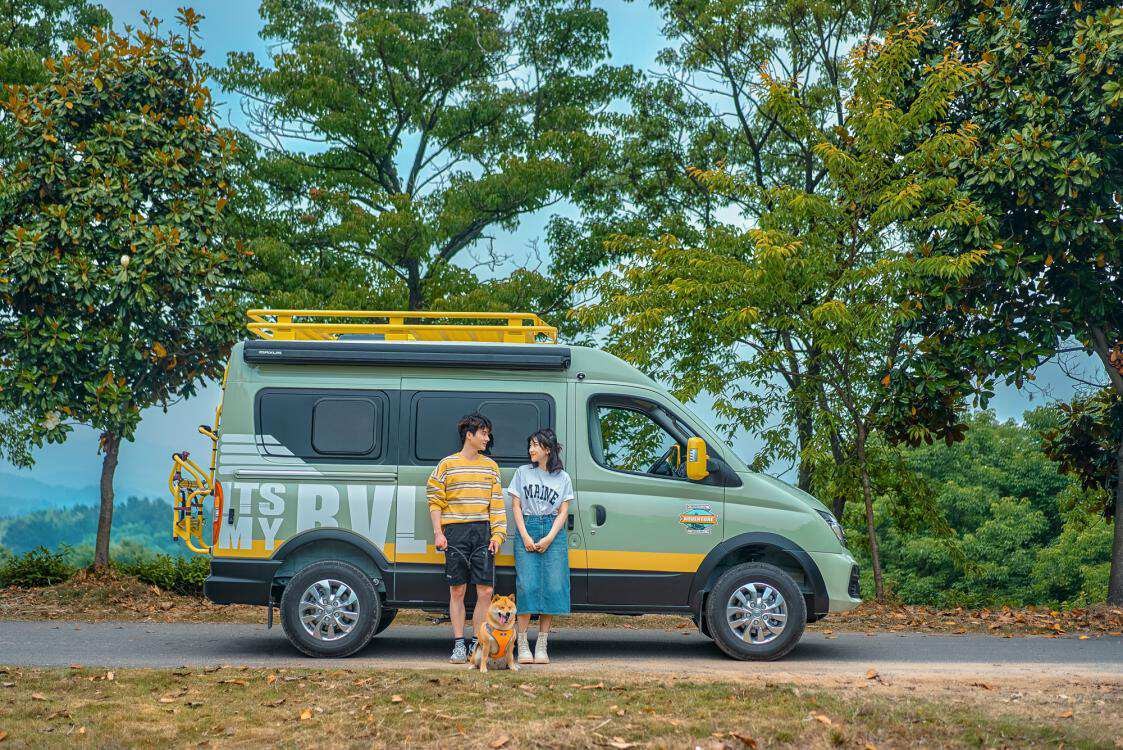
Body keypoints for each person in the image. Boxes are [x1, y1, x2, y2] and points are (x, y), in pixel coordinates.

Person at [427, 413, 507, 664]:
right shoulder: (446, 465)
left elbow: (497, 505)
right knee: (457, 590)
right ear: (469, 435)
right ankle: (459, 644)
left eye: (488, 434)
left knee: (486, 590)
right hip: (455, 532)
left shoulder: (491, 467)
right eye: (483, 433)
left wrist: (498, 535)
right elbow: (435, 500)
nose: (487, 438)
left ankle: (477, 643)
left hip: (482, 532)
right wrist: (438, 533)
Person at [508, 428, 573, 664]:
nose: (530, 450)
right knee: (526, 585)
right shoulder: (522, 473)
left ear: (547, 449)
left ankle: (542, 644)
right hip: (528, 526)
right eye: (530, 445)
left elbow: (563, 511)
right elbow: (516, 506)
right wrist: (525, 535)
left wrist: (549, 538)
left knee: (552, 587)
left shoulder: (563, 478)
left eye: (535, 445)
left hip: (552, 531)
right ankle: (523, 643)